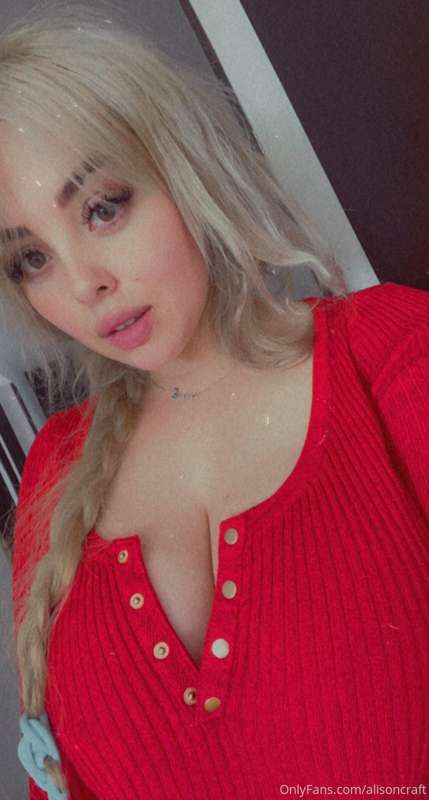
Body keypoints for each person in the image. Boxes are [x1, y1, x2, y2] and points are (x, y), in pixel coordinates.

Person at [1, 2, 428, 799]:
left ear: (182, 169)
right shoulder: (52, 473)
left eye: (103, 208)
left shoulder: (391, 355)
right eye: (31, 259)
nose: (84, 282)